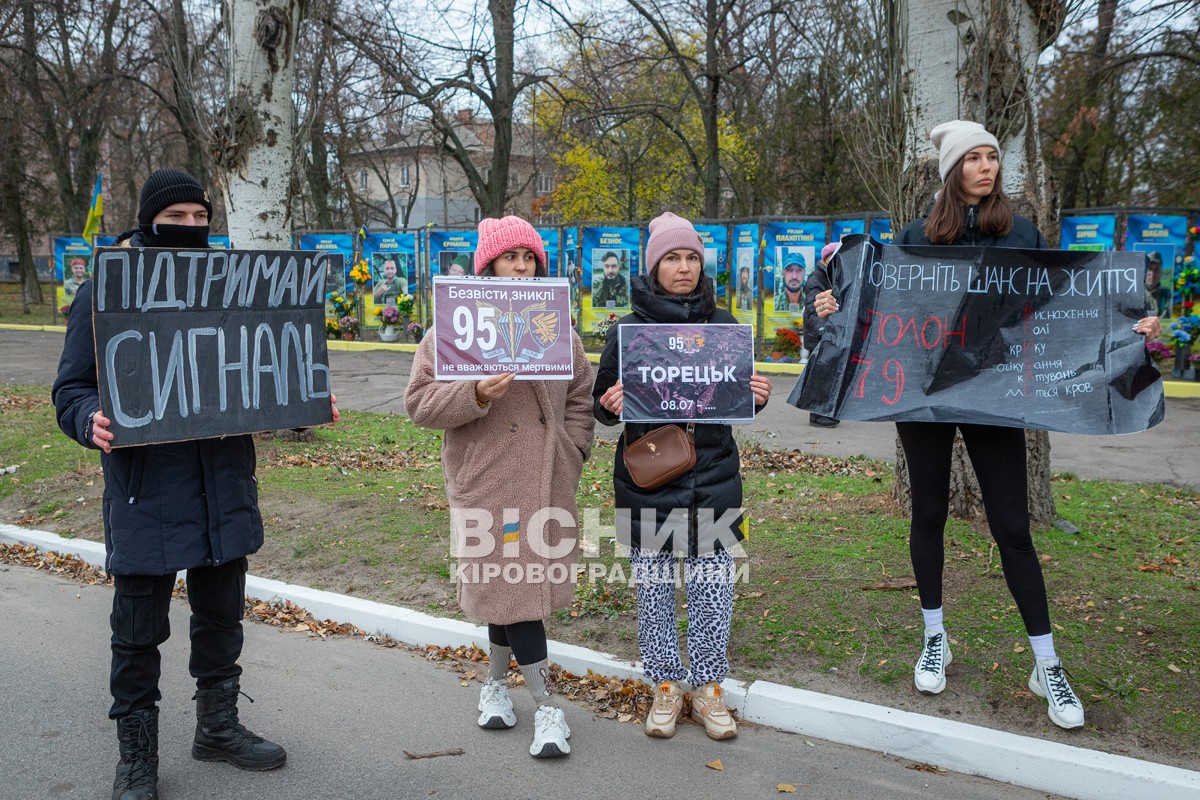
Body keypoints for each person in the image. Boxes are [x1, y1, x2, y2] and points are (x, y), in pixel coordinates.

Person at [815, 121, 1158, 731]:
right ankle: (934, 636)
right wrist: (833, 304)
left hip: (996, 394)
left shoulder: (1021, 233)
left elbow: (1067, 301)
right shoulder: (917, 236)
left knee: (1013, 527)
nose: (986, 167)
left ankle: (1046, 662)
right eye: (972, 158)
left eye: (992, 157)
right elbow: (882, 301)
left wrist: (1129, 325)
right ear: (952, 170)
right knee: (928, 515)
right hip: (925, 394)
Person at [52, 168, 341, 800]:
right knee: (137, 634)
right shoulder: (106, 290)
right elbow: (70, 388)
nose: (189, 226)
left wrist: (302, 395)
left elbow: (261, 365)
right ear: (149, 218)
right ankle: (136, 757)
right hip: (144, 492)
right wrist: (87, 420)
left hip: (224, 488)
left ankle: (218, 728)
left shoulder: (233, 289)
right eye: (176, 216)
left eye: (198, 217)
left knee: (221, 619)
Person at [404, 215, 594, 759]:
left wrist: (573, 447)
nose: (521, 266)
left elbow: (580, 395)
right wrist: (476, 393)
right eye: (510, 257)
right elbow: (419, 403)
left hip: (546, 479)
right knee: (509, 590)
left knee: (514, 590)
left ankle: (496, 685)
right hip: (484, 479)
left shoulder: (560, 328)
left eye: (529, 258)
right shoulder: (452, 328)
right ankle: (546, 706)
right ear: (488, 266)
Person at [592, 212, 772, 742]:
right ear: (654, 266)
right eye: (672, 257)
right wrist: (609, 403)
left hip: (714, 477)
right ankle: (666, 686)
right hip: (649, 478)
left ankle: (708, 689)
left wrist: (755, 398)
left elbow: (735, 400)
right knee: (652, 589)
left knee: (713, 587)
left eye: (692, 257)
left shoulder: (724, 327)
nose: (684, 267)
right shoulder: (628, 330)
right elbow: (600, 407)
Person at [802, 241, 840, 428]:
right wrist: (823, 330)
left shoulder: (833, 277)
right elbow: (813, 308)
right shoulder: (817, 278)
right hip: (819, 336)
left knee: (828, 375)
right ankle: (816, 415)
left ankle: (825, 411)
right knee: (818, 376)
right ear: (826, 258)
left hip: (829, 335)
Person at [1144, 251, 1163, 317]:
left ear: (1161, 272)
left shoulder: (1168, 295)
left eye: (1156, 269)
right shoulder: (1136, 295)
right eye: (1149, 269)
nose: (1152, 274)